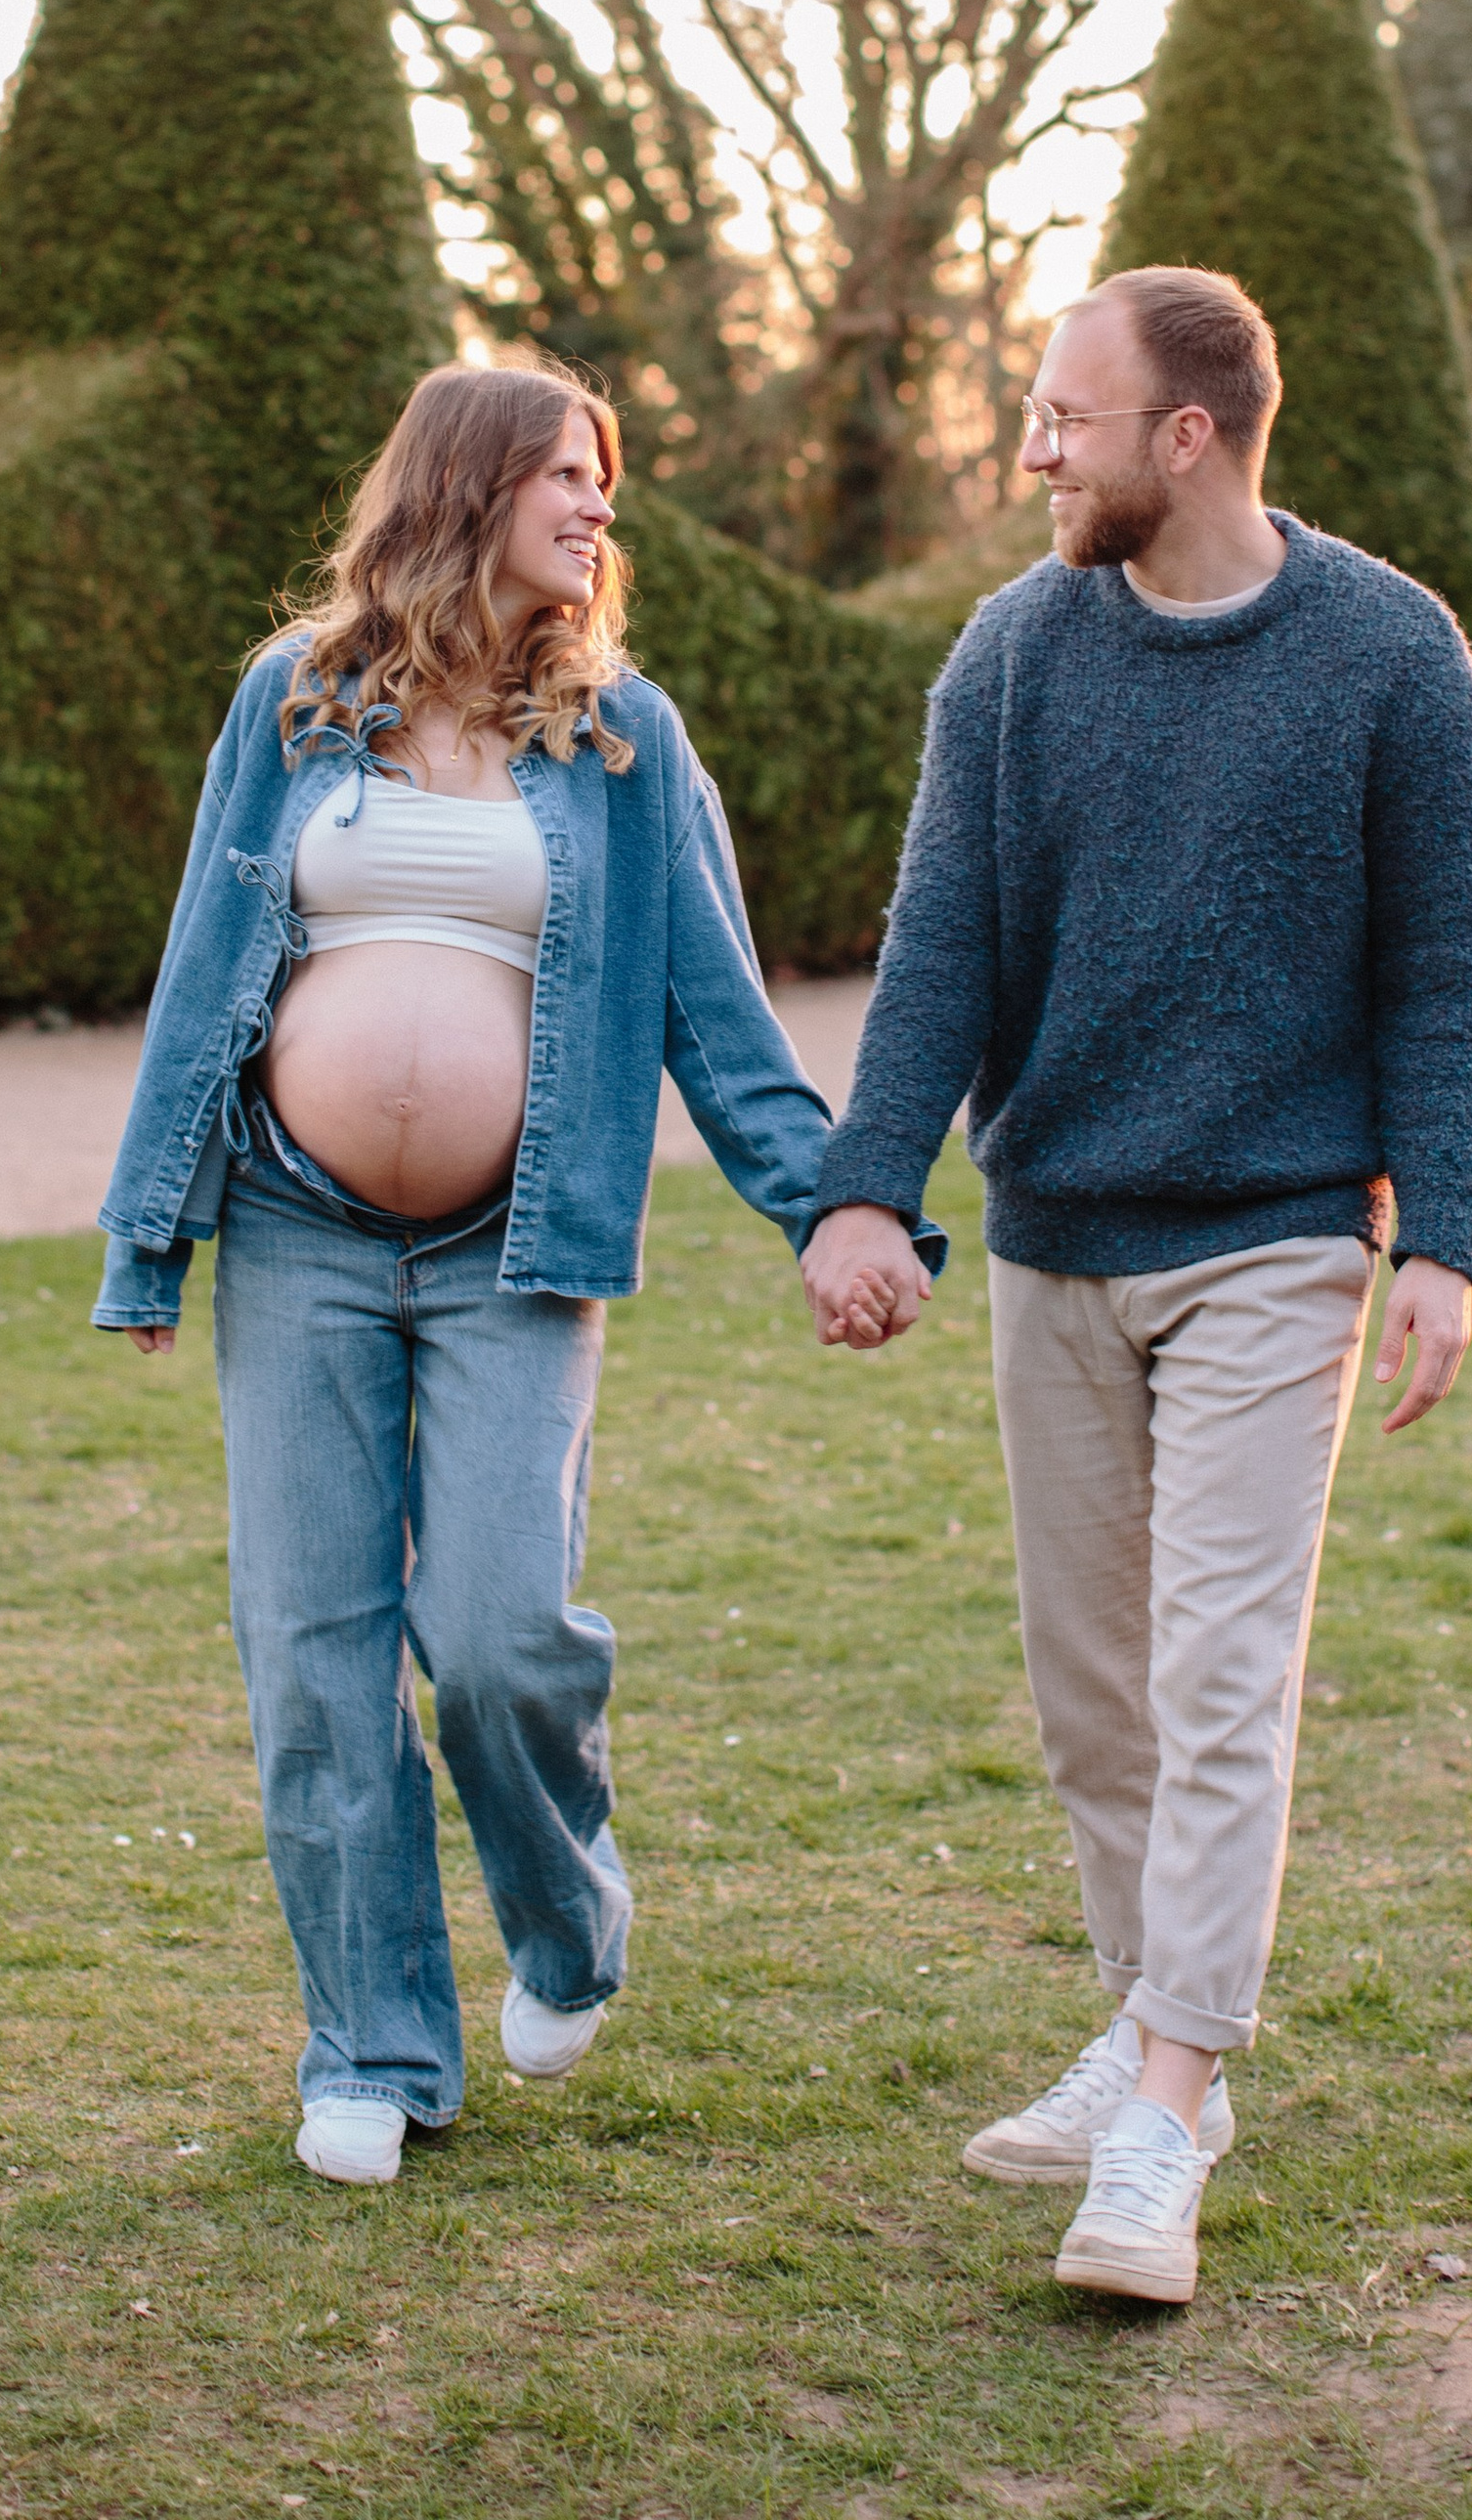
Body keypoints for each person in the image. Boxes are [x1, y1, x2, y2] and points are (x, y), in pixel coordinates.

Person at [91, 361, 932, 2189]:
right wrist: (148, 1222)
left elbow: (717, 1010)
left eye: (603, 484)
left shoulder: (623, 737)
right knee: (314, 1665)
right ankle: (373, 2046)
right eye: (566, 474)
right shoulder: (296, 703)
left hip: (516, 1245)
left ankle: (566, 1920)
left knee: (494, 1638)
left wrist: (838, 1209)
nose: (595, 510)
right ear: (468, 487)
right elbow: (205, 954)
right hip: (299, 1229)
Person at [801, 266, 1472, 2304]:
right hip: (1059, 1237)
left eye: (1060, 417)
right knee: (1091, 1692)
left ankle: (1166, 2114)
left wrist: (1438, 1239)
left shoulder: (1383, 653)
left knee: (1215, 1676)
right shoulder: (1013, 655)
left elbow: (1439, 977)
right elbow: (938, 949)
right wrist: (871, 1193)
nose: (1029, 450)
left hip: (1279, 1238)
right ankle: (1143, 2021)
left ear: (1182, 436)